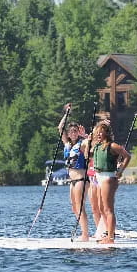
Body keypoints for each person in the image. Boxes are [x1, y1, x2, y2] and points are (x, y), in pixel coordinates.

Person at [91, 121, 131, 244]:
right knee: (101, 208)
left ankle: (111, 238)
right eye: (97, 132)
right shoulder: (96, 145)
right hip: (98, 178)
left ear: (106, 133)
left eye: (101, 132)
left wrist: (120, 170)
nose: (98, 134)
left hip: (108, 178)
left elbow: (127, 156)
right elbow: (89, 143)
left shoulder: (112, 146)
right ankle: (107, 233)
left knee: (108, 209)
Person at [59, 103, 90, 242]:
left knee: (80, 206)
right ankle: (84, 231)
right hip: (72, 181)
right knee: (74, 207)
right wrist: (67, 113)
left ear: (78, 132)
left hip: (81, 179)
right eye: (70, 131)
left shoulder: (82, 144)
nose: (72, 133)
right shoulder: (67, 144)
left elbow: (91, 142)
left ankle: (85, 234)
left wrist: (85, 136)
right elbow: (60, 128)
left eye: (75, 131)